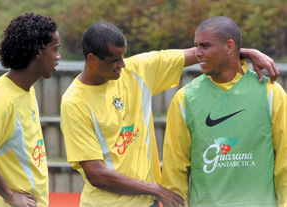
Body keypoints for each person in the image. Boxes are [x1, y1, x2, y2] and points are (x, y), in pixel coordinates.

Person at [60, 21, 279, 207]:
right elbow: (97, 174)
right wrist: (156, 188)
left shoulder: (136, 71)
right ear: (92, 59)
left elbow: (201, 54)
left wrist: (247, 52)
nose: (122, 64)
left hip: (148, 203)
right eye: (115, 60)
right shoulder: (74, 102)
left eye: (123, 56)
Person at [161, 16, 287, 207]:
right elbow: (174, 170)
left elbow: (285, 163)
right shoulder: (185, 98)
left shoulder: (270, 93)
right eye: (196, 46)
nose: (198, 53)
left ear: (229, 46)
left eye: (205, 46)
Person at [0, 13, 61, 207]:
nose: (58, 57)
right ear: (38, 51)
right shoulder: (2, 98)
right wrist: (9, 196)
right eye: (55, 50)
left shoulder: (27, 90)